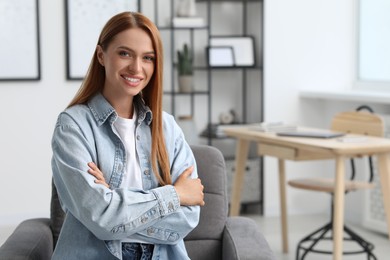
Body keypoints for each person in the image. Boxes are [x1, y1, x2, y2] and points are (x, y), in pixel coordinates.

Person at [51, 11, 205, 260]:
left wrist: (114, 202)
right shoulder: (73, 126)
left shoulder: (167, 127)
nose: (136, 67)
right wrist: (175, 195)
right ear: (101, 55)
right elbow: (101, 217)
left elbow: (188, 216)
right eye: (125, 53)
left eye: (148, 58)